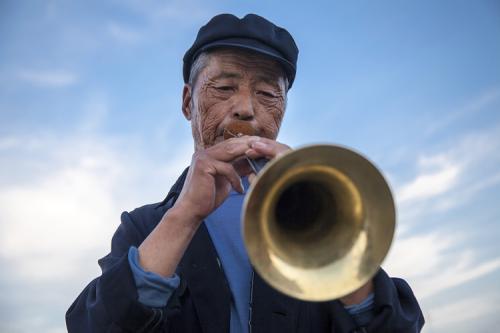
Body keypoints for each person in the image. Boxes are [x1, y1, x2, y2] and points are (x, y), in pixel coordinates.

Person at [66, 13, 424, 332]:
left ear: (283, 109)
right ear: (189, 102)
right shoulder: (145, 226)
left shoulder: (326, 217)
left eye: (268, 93)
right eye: (223, 88)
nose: (246, 109)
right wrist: (184, 216)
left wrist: (318, 218)